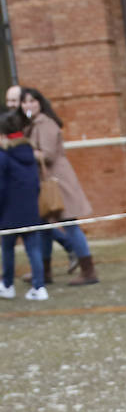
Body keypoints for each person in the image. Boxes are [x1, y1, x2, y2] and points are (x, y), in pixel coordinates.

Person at [19, 87, 99, 286]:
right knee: (44, 227)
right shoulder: (31, 125)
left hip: (57, 181)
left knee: (70, 225)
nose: (28, 105)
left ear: (40, 102)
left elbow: (47, 155)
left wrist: (22, 149)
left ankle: (88, 270)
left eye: (32, 101)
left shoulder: (45, 124)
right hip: (45, 180)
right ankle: (44, 271)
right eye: (25, 102)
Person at [0, 108, 48, 301]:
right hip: (29, 209)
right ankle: (40, 286)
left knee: (8, 249)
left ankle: (7, 284)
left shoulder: (4, 156)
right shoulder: (28, 151)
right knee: (33, 250)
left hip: (9, 211)